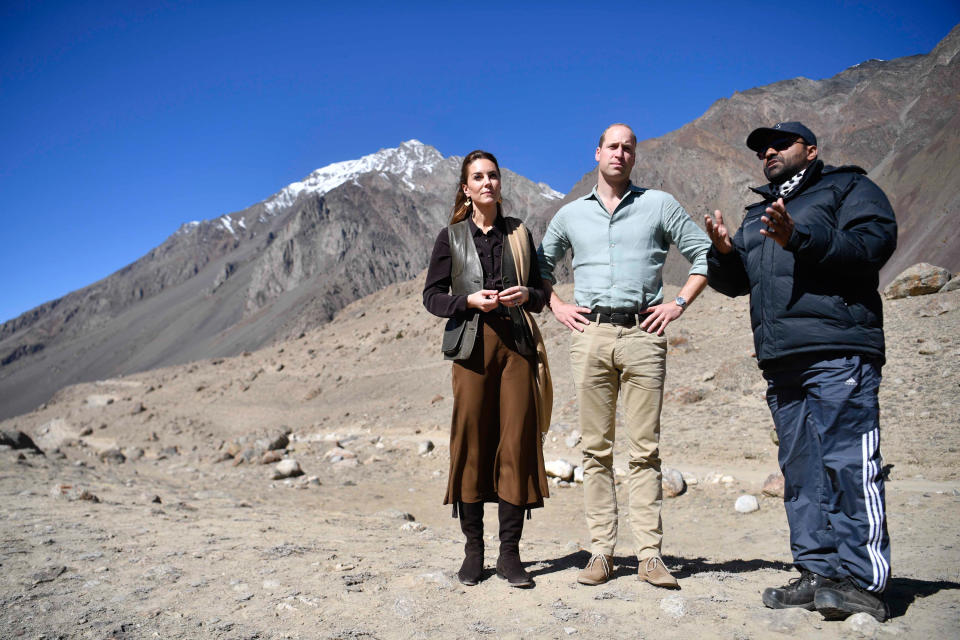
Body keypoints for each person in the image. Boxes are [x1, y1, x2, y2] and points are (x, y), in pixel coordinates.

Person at [704, 121, 896, 622]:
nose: (768, 151)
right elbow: (739, 283)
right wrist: (724, 253)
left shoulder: (848, 188)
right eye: (761, 148)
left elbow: (873, 245)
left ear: (810, 149)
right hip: (782, 359)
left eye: (780, 143)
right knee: (802, 472)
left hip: (837, 349)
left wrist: (801, 236)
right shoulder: (757, 213)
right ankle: (819, 573)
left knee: (849, 464)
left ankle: (863, 581)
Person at [538, 123, 710, 588]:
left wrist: (677, 304)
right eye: (612, 146)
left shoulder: (659, 205)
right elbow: (539, 266)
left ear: (635, 156)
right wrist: (556, 305)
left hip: (643, 335)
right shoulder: (571, 215)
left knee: (645, 449)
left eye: (627, 147)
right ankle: (601, 553)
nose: (620, 153)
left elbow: (704, 254)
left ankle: (650, 555)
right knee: (595, 450)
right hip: (590, 335)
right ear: (597, 153)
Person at [423, 150, 551, 589]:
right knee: (472, 443)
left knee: (515, 440)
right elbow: (432, 297)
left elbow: (542, 291)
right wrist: (467, 302)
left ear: (500, 183)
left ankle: (511, 555)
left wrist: (526, 297)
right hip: (471, 350)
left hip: (516, 347)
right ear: (466, 188)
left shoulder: (519, 234)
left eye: (493, 176)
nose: (486, 183)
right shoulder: (451, 237)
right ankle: (473, 551)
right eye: (477, 177)